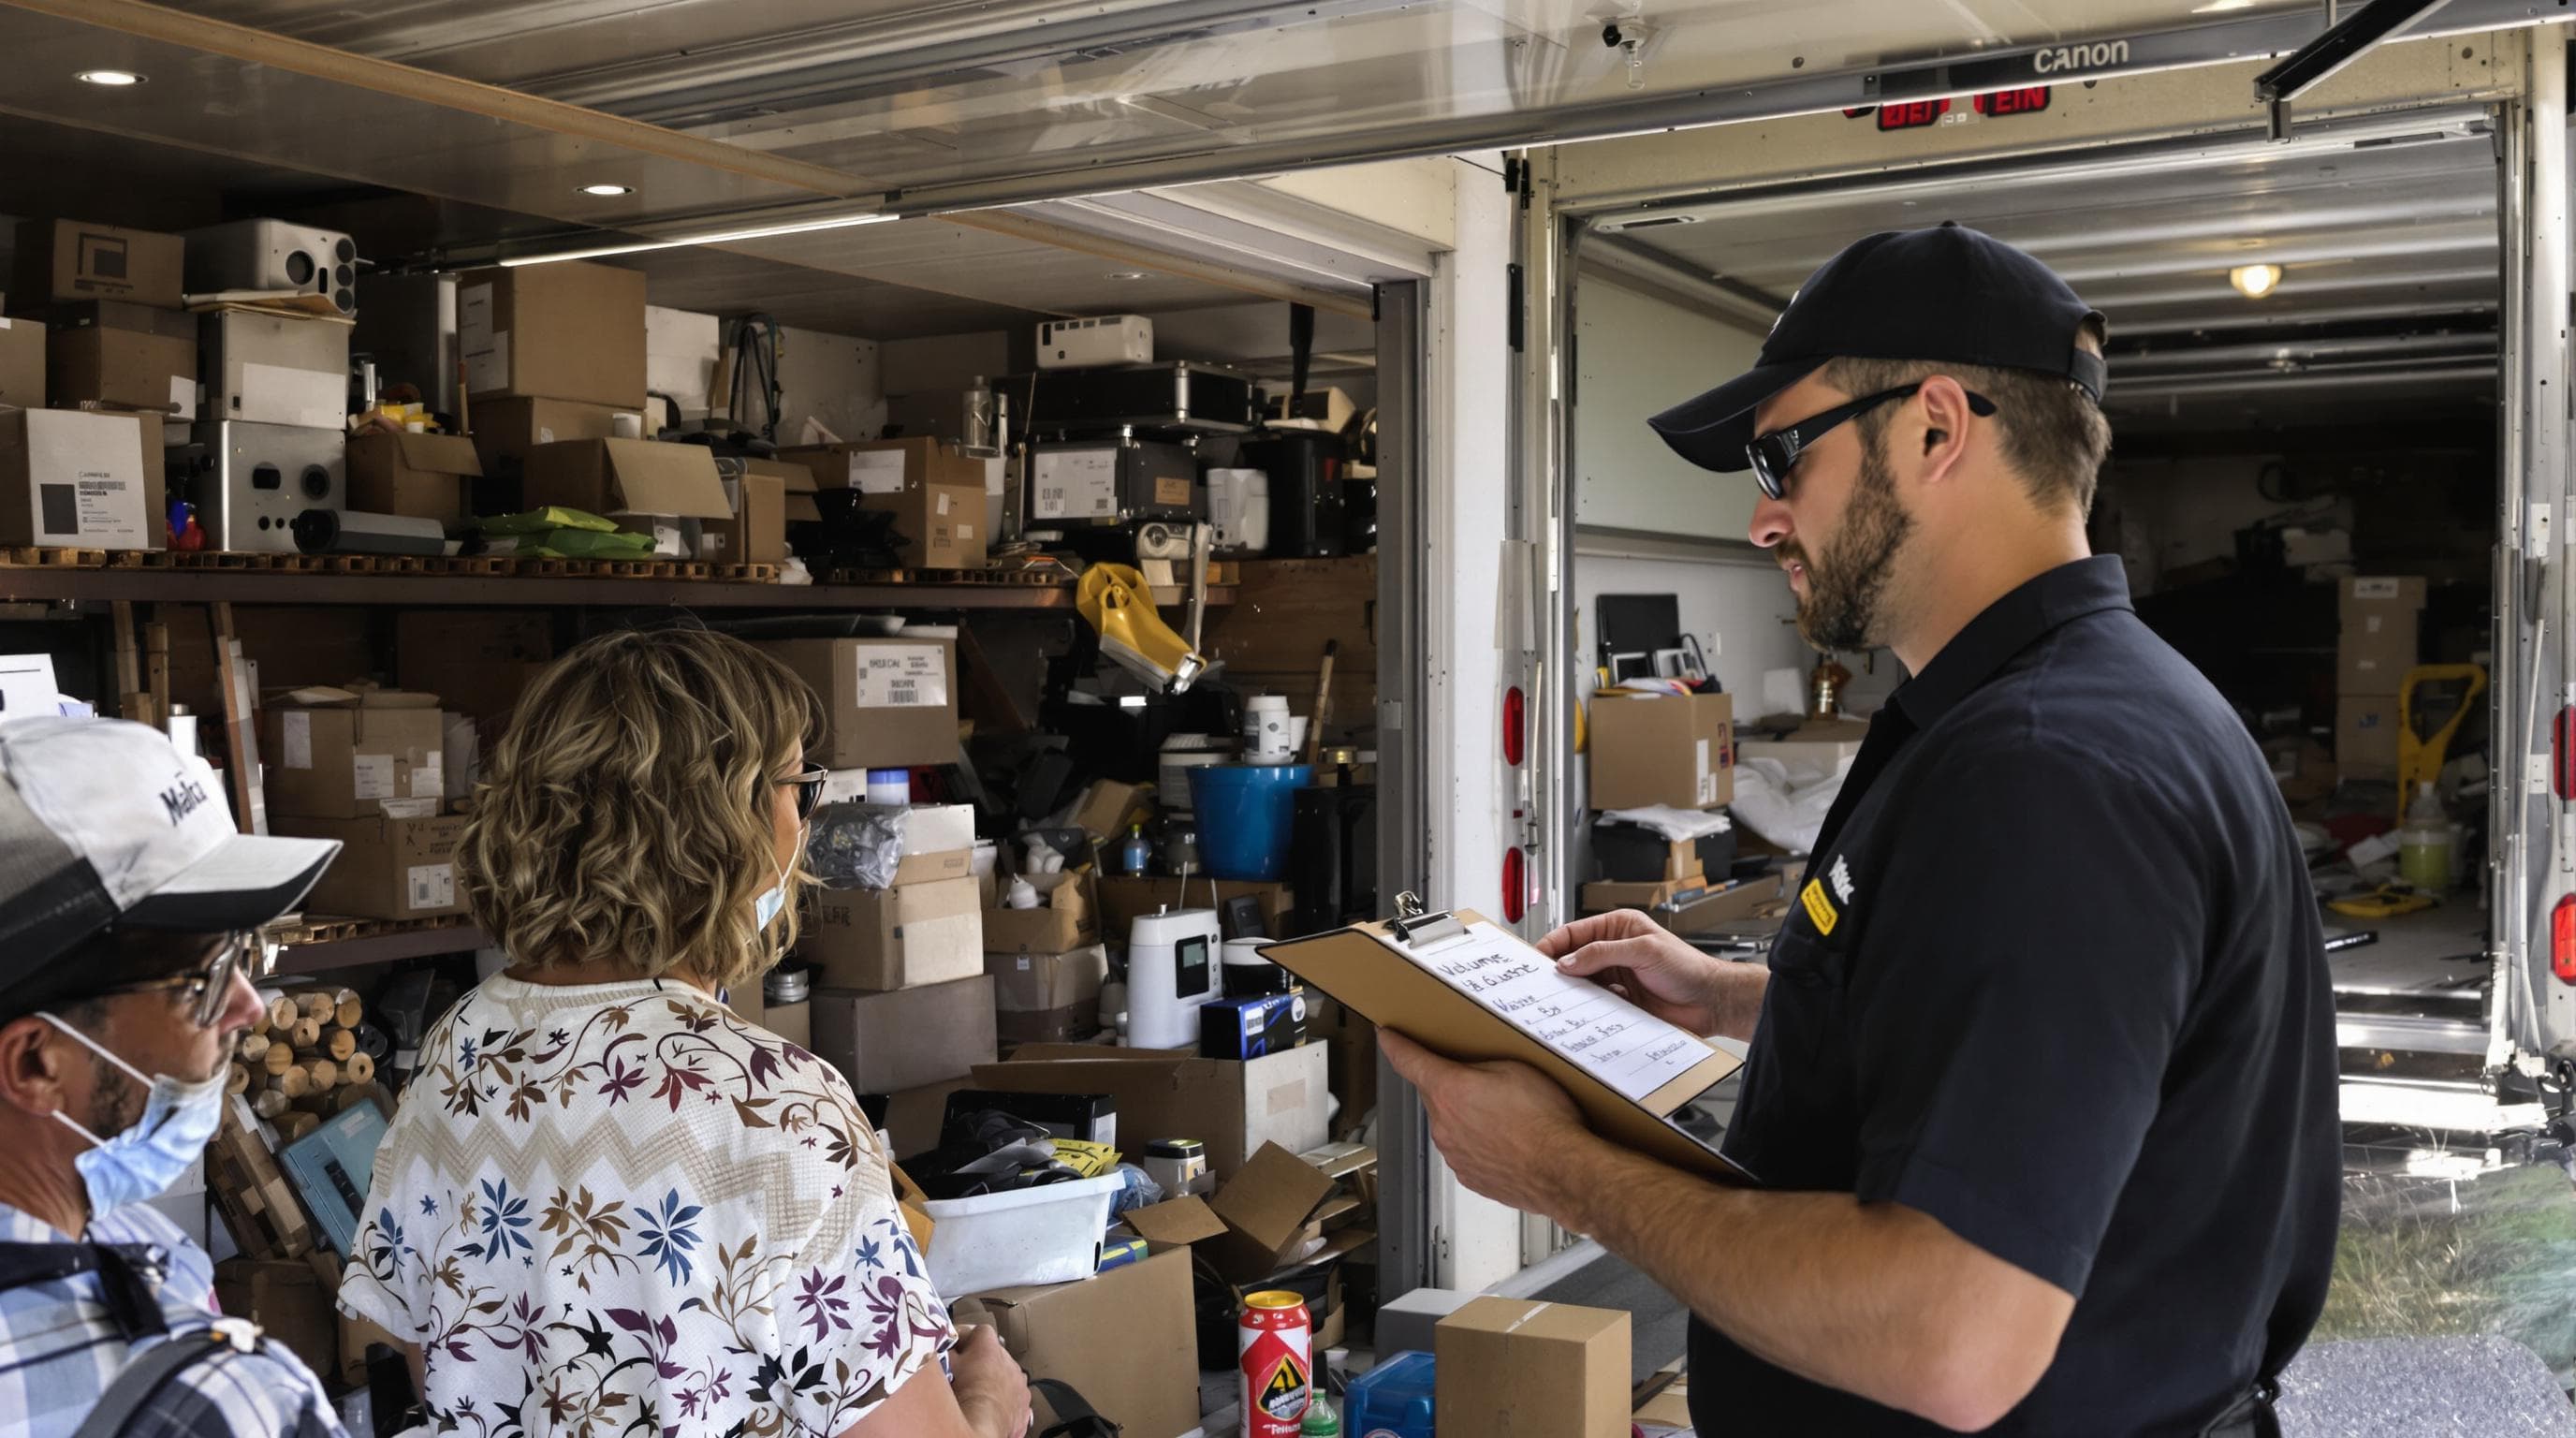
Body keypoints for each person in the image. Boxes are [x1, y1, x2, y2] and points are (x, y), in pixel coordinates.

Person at [1379, 225, 2338, 1437]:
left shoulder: (2047, 771)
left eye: (1785, 456)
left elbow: (1953, 1336)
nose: (1765, 521)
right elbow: (2049, 1065)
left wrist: (1559, 1170)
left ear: (1937, 427)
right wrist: (1732, 999)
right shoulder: (2065, 710)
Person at [336, 628, 1030, 1438]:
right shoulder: (777, 1105)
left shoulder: (462, 1045)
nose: (802, 823)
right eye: (799, 788)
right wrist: (987, 1405)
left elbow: (437, 1359)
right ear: (721, 820)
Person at [0, 715, 347, 1437]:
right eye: (206, 978)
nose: (250, 1008)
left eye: (244, 953)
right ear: (35, 1063)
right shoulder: (233, 1405)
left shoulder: (133, 1241)